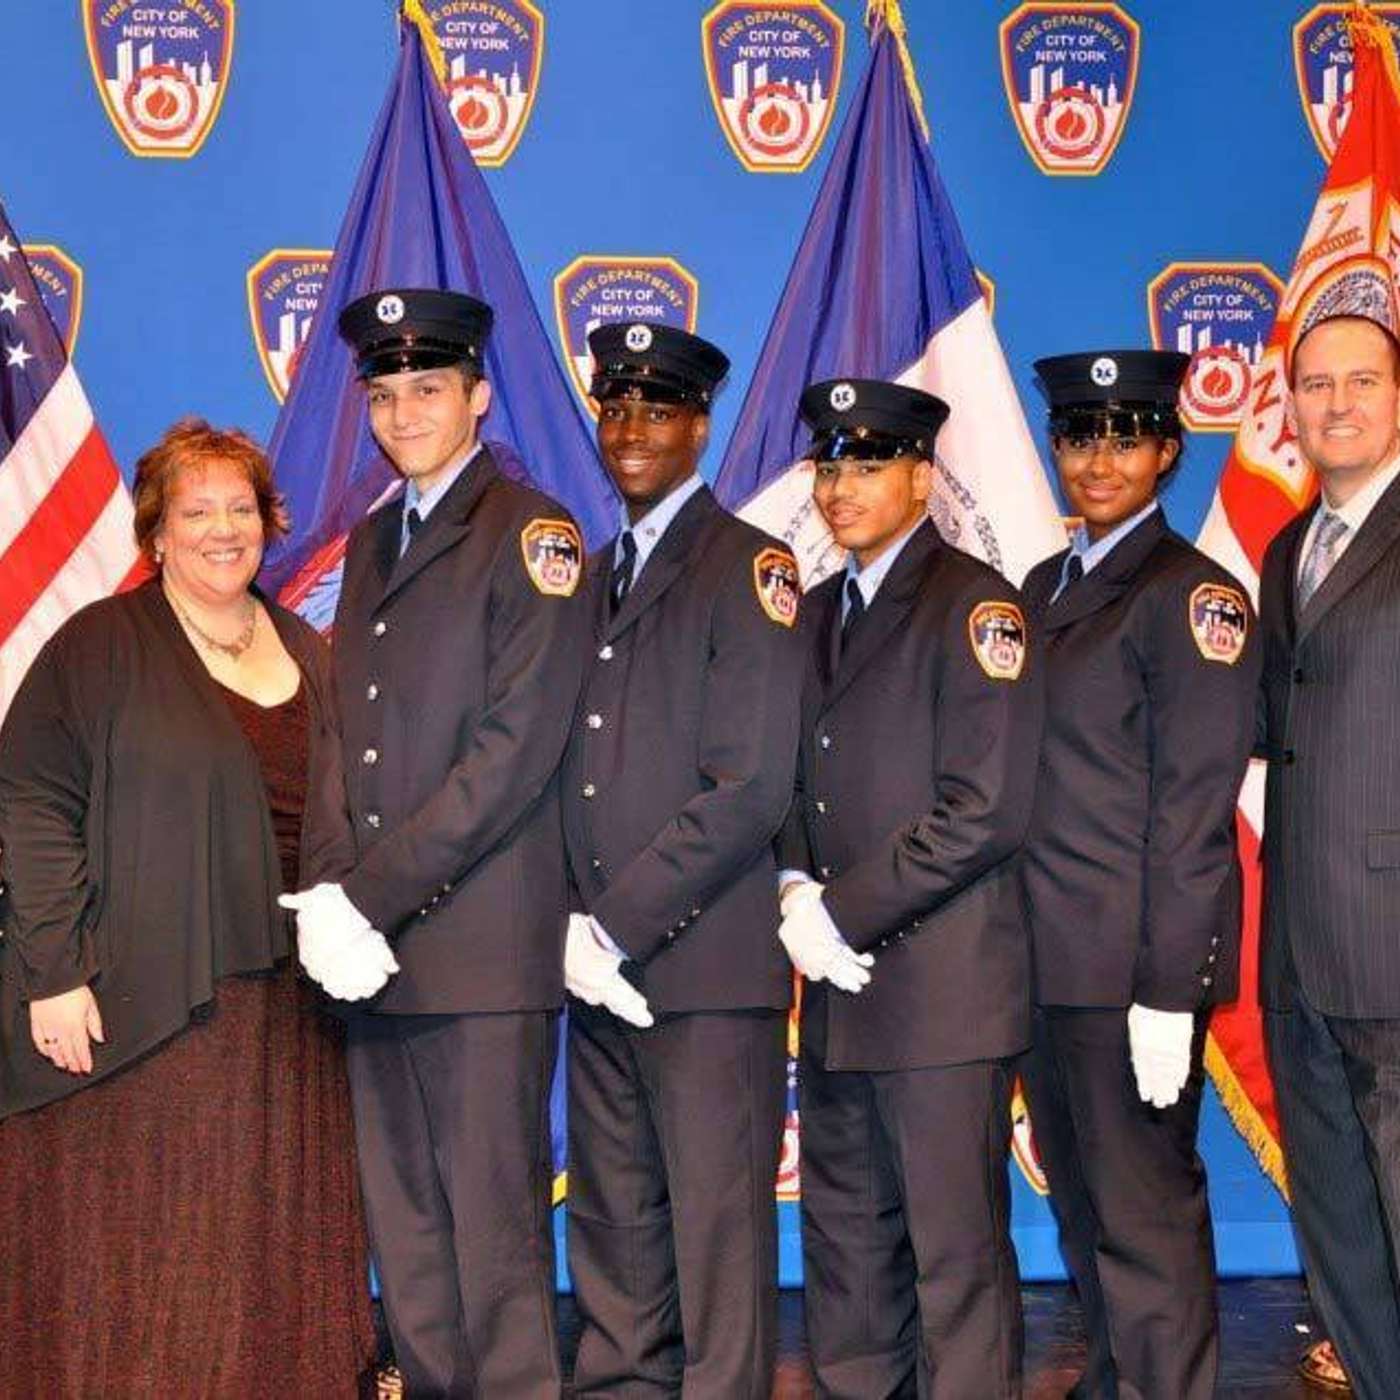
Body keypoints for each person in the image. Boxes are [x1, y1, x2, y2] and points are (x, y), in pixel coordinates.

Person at [0, 419, 373, 1393]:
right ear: (154, 533)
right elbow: (31, 801)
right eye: (193, 510)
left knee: (273, 1250)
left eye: (239, 508)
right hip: (148, 1008)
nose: (220, 528)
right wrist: (53, 973)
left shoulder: (308, 646)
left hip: (295, 1015)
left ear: (269, 523)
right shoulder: (100, 645)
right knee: (159, 1253)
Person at [283, 287, 589, 1398]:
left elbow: (512, 752)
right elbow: (341, 732)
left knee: (493, 1245)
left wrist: (369, 895)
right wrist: (325, 893)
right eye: (384, 392)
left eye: (426, 388)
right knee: (406, 1239)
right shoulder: (371, 539)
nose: (402, 411)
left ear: (478, 397)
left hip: (475, 949)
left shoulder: (531, 532)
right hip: (372, 951)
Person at [775, 378, 1042, 1399]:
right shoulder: (811, 608)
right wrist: (795, 883)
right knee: (845, 1256)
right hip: (839, 997)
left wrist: (835, 911)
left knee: (952, 1262)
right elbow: (792, 773)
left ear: (921, 476)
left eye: (868, 463)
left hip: (940, 999)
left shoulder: (974, 606)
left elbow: (980, 811)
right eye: (829, 464)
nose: (842, 486)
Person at [558, 322, 804, 1397]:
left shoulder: (748, 564)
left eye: (655, 410)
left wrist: (610, 921)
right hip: (593, 966)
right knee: (612, 1218)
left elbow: (748, 786)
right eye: (614, 407)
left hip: (698, 966)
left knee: (713, 1239)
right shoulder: (591, 566)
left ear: (699, 423)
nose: (630, 430)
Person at [1017, 350, 1260, 1400]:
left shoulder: (1190, 595)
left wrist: (1168, 990)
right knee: (1082, 1200)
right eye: (1077, 436)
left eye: (1122, 436)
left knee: (1143, 1212)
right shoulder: (1040, 585)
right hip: (1040, 956)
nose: (1097, 458)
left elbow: (1192, 809)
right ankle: (1119, 1373)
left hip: (1127, 968)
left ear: (1166, 449)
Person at [1257, 309, 1400, 1400]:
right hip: (1300, 950)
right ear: (1289, 403)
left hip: (1390, 939)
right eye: (1315, 384)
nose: (1337, 402)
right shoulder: (1283, 549)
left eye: (1361, 380)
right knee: (1340, 1221)